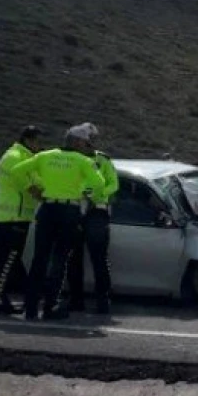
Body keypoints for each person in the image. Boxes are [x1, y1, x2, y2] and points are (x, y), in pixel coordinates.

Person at [11, 125, 106, 320]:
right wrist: (87, 197)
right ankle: (50, 306)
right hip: (69, 211)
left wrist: (31, 189)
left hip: (47, 210)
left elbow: (16, 171)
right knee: (60, 260)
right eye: (86, 143)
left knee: (39, 259)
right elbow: (99, 184)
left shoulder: (45, 156)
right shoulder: (83, 161)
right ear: (78, 142)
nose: (87, 147)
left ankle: (30, 307)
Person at [0, 125, 44, 315]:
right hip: (15, 216)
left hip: (12, 216)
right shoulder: (17, 158)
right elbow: (31, 185)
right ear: (29, 141)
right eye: (37, 142)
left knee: (1, 261)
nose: (39, 146)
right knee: (6, 261)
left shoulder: (16, 155)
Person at [67, 123, 117, 314]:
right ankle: (75, 300)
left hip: (97, 212)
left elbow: (113, 184)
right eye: (90, 140)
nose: (92, 143)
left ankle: (103, 301)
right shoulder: (70, 160)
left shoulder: (103, 160)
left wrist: (97, 194)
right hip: (75, 210)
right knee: (73, 258)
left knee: (99, 259)